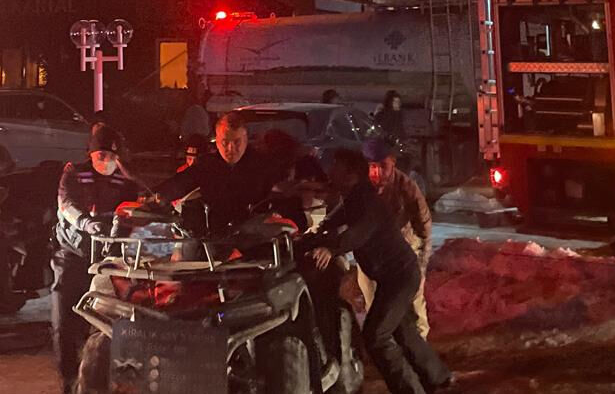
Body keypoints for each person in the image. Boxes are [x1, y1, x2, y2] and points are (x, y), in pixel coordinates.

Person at [310, 147, 451, 394]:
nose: (330, 171)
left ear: (351, 174)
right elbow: (336, 222)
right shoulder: (356, 199)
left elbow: (359, 232)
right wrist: (313, 238)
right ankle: (439, 379)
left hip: (401, 277)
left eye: (336, 167)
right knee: (403, 332)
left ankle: (410, 389)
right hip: (392, 278)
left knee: (376, 335)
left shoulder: (366, 201)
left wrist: (331, 249)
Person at [53, 123, 141, 394]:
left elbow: (134, 210)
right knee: (65, 318)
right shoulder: (74, 173)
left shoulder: (125, 180)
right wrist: (86, 223)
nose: (106, 162)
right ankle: (68, 378)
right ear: (90, 154)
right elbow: (66, 205)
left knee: (113, 319)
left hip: (109, 260)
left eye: (111, 157)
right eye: (100, 156)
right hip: (74, 253)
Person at [156, 111, 280, 231]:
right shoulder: (207, 165)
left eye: (237, 142)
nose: (231, 149)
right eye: (225, 142)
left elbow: (280, 195)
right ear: (217, 141)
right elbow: (181, 183)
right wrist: (154, 195)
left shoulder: (262, 165)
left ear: (246, 139)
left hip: (253, 239)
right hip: (213, 238)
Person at [364, 137, 433, 336]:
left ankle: (421, 346)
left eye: (382, 166)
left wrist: (421, 264)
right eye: (371, 166)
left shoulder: (407, 188)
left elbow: (424, 228)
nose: (376, 173)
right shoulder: (363, 189)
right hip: (373, 256)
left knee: (413, 302)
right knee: (375, 304)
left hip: (404, 252)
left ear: (393, 162)